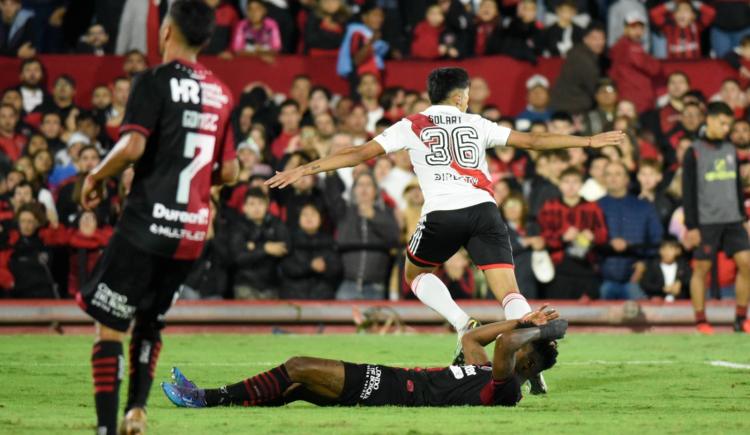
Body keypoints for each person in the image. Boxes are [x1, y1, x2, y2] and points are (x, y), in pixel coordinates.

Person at [267, 67, 624, 392]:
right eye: (467, 94)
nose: (468, 99)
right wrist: (588, 142)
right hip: (485, 211)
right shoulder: (478, 124)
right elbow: (532, 142)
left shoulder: (413, 123)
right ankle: (534, 362)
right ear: (459, 96)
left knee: (415, 273)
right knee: (510, 294)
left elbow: (360, 153)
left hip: (443, 214)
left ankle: (462, 323)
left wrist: (306, 169)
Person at [76, 2, 239, 434]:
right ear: (205, 39)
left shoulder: (152, 80)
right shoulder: (222, 93)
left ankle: (107, 428)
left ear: (166, 30)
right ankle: (137, 413)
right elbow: (232, 171)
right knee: (150, 322)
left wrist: (94, 175)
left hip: (146, 224)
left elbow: (131, 147)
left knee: (110, 326)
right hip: (190, 232)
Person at [162, 307, 567, 409]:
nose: (515, 337)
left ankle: (202, 398)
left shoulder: (506, 388)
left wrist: (544, 332)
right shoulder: (486, 369)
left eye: (523, 341)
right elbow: (474, 335)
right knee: (297, 387)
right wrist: (522, 318)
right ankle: (208, 396)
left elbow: (504, 346)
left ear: (527, 365)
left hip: (393, 391)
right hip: (391, 380)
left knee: (298, 365)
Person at [682, 102, 750, 334]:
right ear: (709, 120)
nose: (726, 128)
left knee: (747, 264)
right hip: (706, 221)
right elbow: (688, 191)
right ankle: (701, 320)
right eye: (722, 123)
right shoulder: (694, 150)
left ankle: (740, 319)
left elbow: (736, 188)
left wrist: (741, 216)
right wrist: (692, 225)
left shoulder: (731, 149)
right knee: (701, 269)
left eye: (728, 124)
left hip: (733, 220)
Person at [538, 168, 607, 299]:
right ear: (560, 184)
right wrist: (562, 237)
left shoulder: (592, 207)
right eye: (566, 182)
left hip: (586, 266)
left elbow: (602, 234)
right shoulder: (550, 206)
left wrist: (593, 236)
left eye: (575, 182)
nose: (570, 186)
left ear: (581, 185)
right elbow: (543, 236)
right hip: (558, 267)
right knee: (559, 312)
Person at [598, 161, 663, 300]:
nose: (613, 178)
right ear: (603, 179)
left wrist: (644, 264)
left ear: (627, 179)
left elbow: (656, 239)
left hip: (636, 281)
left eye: (618, 174)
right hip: (602, 279)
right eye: (608, 174)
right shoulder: (594, 207)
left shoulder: (644, 207)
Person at [609, 11, 662, 114]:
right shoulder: (629, 46)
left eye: (640, 28)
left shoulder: (625, 46)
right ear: (626, 29)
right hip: (635, 100)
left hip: (635, 99)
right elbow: (653, 68)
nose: (638, 31)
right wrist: (653, 61)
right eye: (633, 27)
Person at [548, 22, 606, 115]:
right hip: (572, 107)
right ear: (585, 39)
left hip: (565, 104)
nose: (600, 42)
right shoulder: (583, 58)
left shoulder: (579, 51)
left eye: (602, 38)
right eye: (595, 39)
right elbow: (594, 87)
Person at [640, 237, 690, 301]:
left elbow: (690, 280)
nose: (666, 252)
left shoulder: (683, 265)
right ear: (660, 250)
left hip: (680, 304)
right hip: (658, 304)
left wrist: (680, 284)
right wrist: (663, 289)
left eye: (670, 249)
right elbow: (645, 284)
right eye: (664, 248)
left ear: (678, 251)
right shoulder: (653, 266)